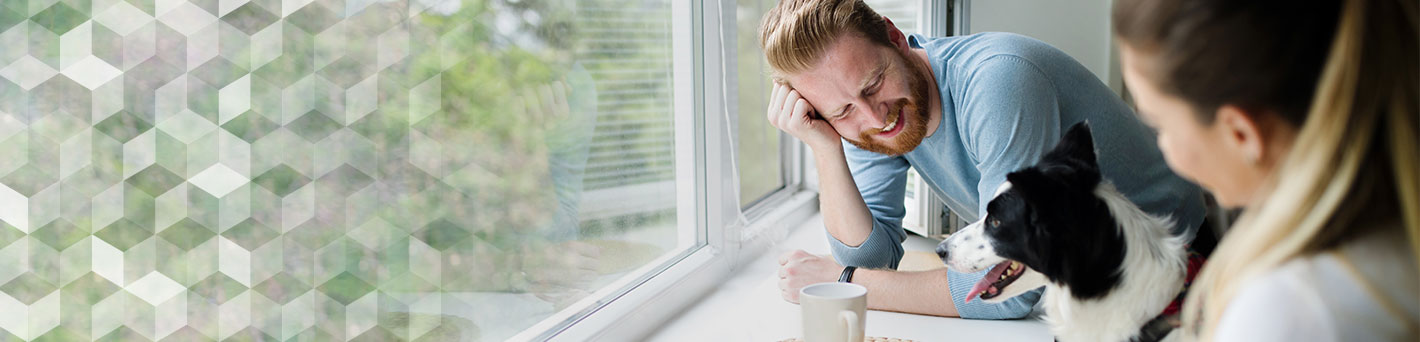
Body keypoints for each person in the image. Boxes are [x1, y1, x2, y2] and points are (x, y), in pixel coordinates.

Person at [761, 0, 1208, 319]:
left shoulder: (998, 81)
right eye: (841, 112)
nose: (873, 115)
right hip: (1094, 295)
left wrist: (844, 284)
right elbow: (876, 257)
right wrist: (826, 146)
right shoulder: (880, 123)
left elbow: (1011, 292)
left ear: (896, 36)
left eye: (873, 83)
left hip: (1175, 278)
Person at [1112, 0, 1419, 340]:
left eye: (1160, 125)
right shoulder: (1392, 231)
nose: (1162, 147)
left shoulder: (1289, 310)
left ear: (1240, 133)